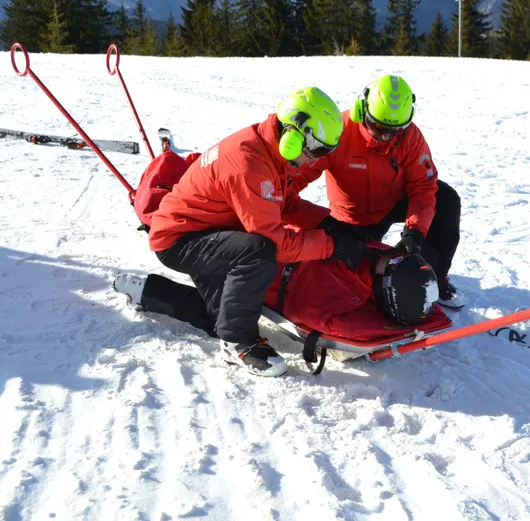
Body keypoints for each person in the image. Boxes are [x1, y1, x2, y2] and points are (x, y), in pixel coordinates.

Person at [113, 86, 372, 378]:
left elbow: (284, 202)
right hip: (180, 239)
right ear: (294, 137)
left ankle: (147, 292)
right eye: (316, 151)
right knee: (258, 251)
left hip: (209, 231)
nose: (314, 161)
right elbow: (277, 241)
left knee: (220, 320)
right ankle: (238, 343)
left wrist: (329, 223)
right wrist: (332, 246)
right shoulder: (250, 163)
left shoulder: (269, 148)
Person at [294, 74, 464, 309]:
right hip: (353, 217)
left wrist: (415, 231)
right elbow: (295, 178)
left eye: (394, 131)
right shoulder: (338, 131)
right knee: (358, 278)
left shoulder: (410, 137)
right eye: (378, 127)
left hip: (393, 200)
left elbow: (423, 186)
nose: (385, 137)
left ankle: (433, 277)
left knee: (445, 199)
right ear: (361, 110)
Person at [113, 248, 445, 360]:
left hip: (258, 255)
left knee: (225, 315)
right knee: (222, 323)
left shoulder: (360, 270)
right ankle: (148, 292)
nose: (387, 261)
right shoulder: (353, 284)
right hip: (249, 258)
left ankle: (149, 291)